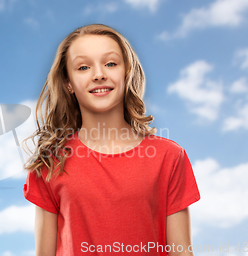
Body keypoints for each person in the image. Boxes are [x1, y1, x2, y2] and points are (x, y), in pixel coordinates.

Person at [21, 23, 201, 256]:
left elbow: (181, 252)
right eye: (84, 67)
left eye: (110, 63)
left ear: (126, 73)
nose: (99, 74)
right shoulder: (52, 161)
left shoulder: (169, 156)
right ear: (68, 83)